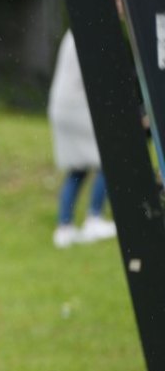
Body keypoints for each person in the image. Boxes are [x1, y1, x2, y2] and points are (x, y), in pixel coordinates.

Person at [48, 29, 116, 248]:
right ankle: (94, 218)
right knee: (109, 157)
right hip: (76, 106)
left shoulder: (76, 30)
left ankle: (64, 227)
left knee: (78, 167)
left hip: (63, 105)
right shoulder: (90, 30)